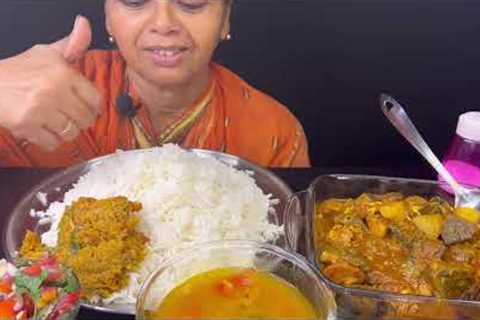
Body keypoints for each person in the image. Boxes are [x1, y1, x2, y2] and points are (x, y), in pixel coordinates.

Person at [0, 0, 310, 168]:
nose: (163, 24)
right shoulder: (35, 94)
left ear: (225, 19)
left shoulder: (275, 132)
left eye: (191, 4)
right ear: (107, 18)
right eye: (135, 2)